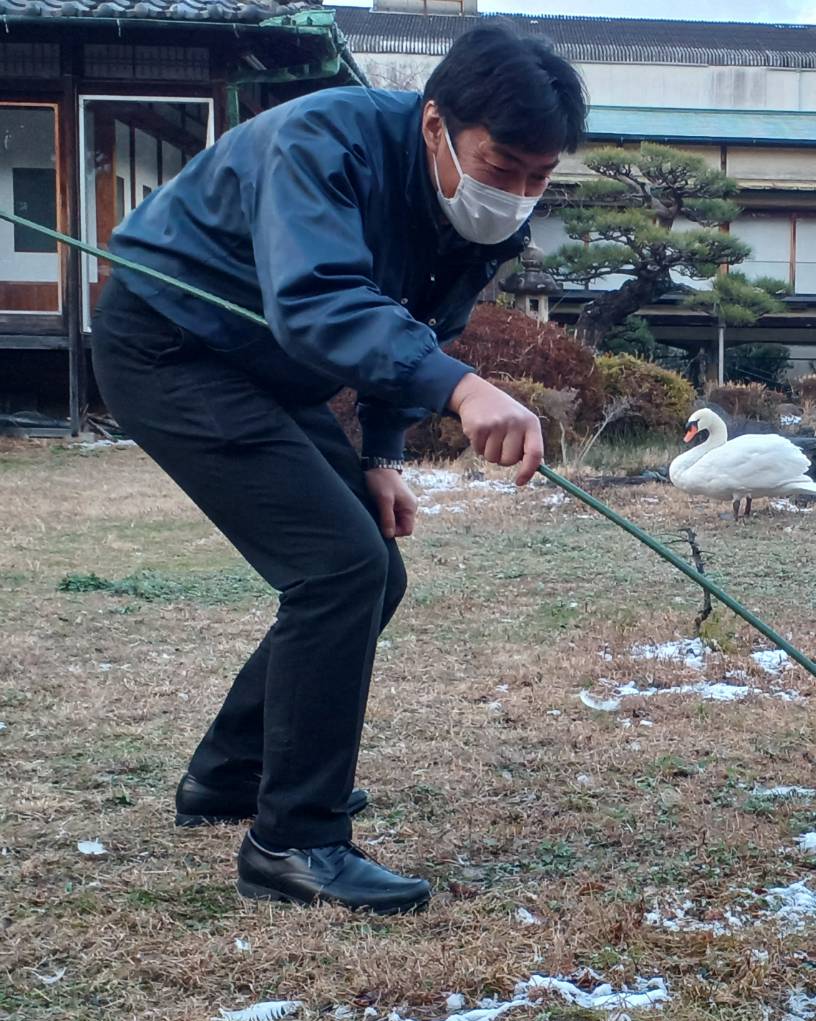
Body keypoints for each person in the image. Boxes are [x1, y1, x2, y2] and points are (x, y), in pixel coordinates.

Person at [89, 24, 587, 914]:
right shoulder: (320, 142)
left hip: (275, 368)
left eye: (538, 178)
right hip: (172, 341)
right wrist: (465, 392)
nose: (514, 194)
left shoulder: (483, 212)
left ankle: (228, 778)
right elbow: (319, 300)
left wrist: (384, 452)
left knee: (372, 569)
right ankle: (295, 843)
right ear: (436, 125)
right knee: (337, 567)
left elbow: (422, 323)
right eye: (500, 164)